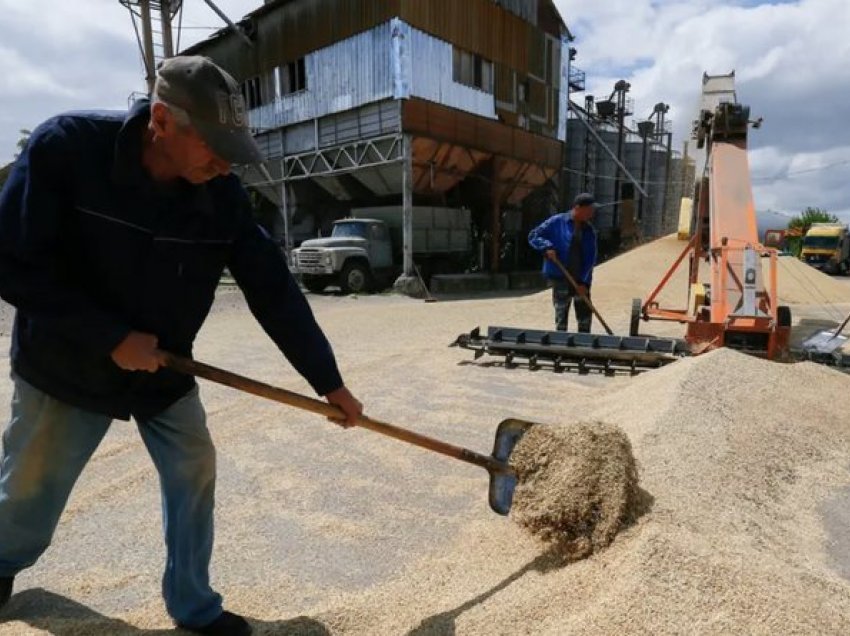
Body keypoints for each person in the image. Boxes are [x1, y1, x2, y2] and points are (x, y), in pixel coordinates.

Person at [0, 56, 362, 636]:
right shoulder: (67, 149)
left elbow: (274, 291)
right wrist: (110, 336)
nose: (224, 163)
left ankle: (194, 606)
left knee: (195, 467)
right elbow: (13, 264)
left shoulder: (221, 197)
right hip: (65, 361)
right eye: (214, 146)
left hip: (165, 366)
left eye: (232, 148)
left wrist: (329, 383)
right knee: (30, 490)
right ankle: (1, 564)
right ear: (163, 121)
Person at [528, 192, 599, 332]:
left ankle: (583, 345)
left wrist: (584, 282)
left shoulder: (589, 230)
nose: (592, 213)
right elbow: (534, 235)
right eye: (589, 209)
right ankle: (560, 344)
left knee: (584, 315)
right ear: (578, 208)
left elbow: (590, 258)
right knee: (561, 314)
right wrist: (547, 247)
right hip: (561, 275)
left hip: (580, 278)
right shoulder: (557, 222)